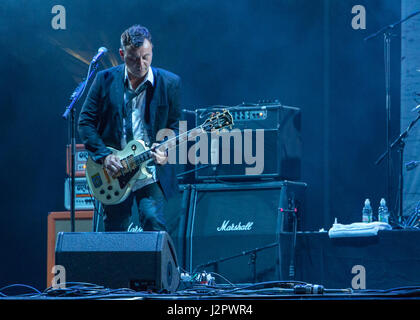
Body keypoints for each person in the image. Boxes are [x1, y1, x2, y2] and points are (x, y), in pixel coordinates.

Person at [78, 24, 181, 232]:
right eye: (133, 58)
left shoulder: (170, 83)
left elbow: (175, 126)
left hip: (149, 170)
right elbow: (85, 121)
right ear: (122, 53)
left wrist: (165, 150)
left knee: (153, 220)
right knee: (115, 231)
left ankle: (155, 266)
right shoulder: (104, 80)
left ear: (152, 51)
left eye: (146, 57)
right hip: (114, 171)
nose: (141, 64)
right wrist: (105, 156)